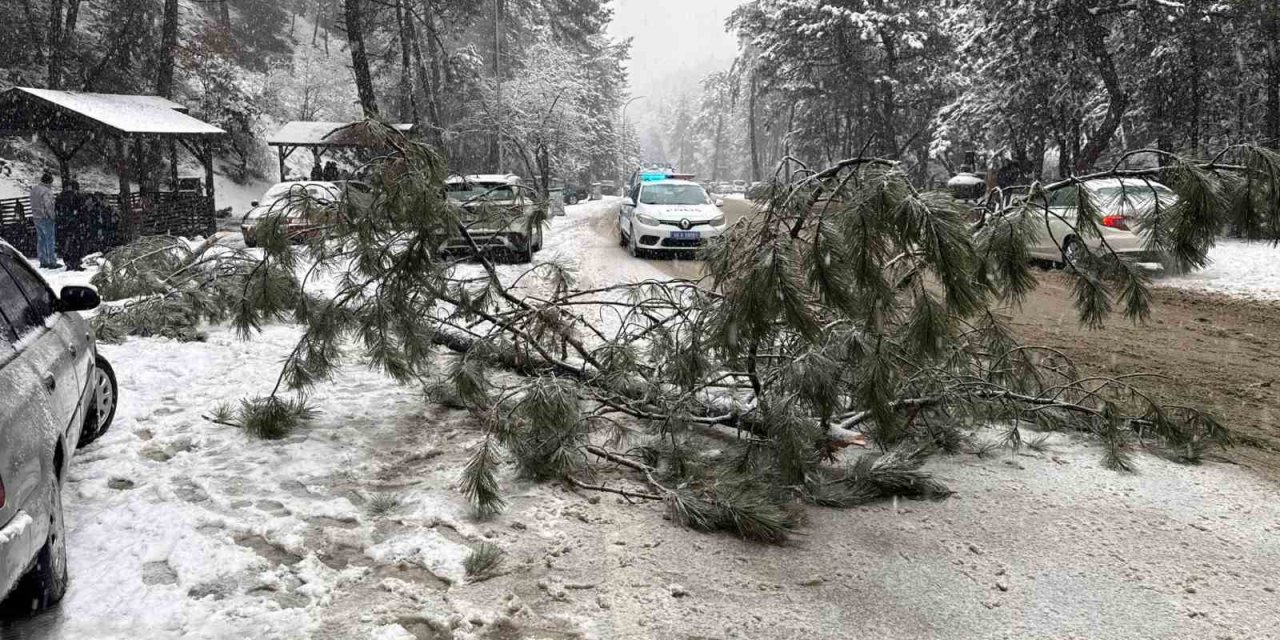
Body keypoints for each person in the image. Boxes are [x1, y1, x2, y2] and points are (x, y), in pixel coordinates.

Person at [55, 181, 88, 271]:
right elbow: (81, 210)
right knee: (75, 244)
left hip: (66, 225)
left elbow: (58, 211)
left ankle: (70, 262)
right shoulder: (75, 197)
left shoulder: (60, 197)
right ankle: (75, 262)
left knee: (68, 244)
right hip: (74, 224)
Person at [30, 172, 60, 268]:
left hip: (36, 217)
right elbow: (48, 206)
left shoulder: (34, 189)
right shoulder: (46, 191)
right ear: (49, 182)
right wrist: (53, 216)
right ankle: (51, 261)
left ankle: (42, 261)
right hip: (45, 218)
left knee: (41, 240)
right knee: (50, 240)